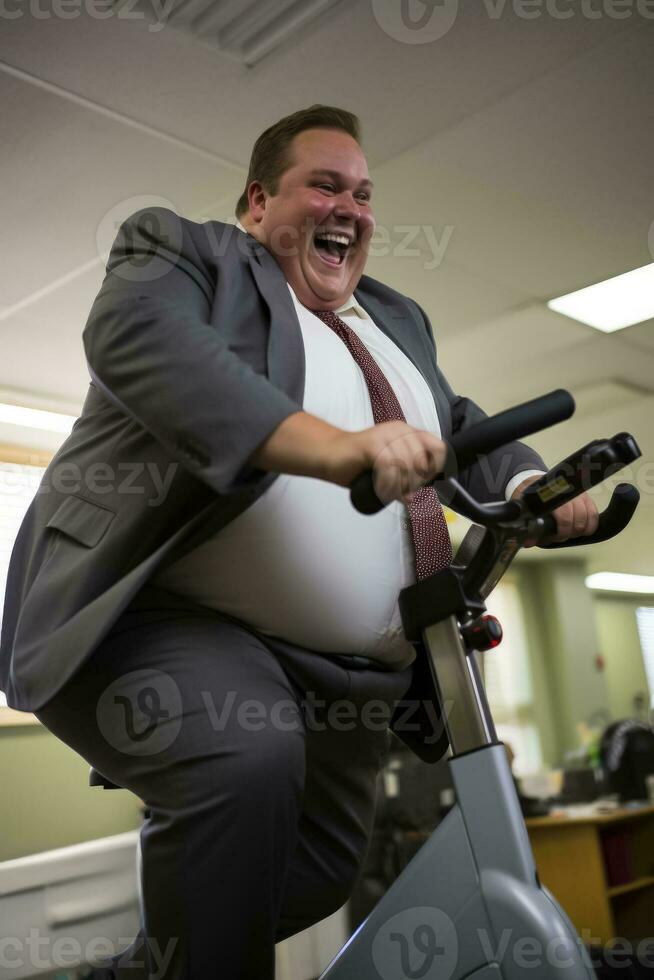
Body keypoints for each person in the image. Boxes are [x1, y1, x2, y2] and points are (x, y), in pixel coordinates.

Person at [0, 105, 599, 979]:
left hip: (349, 677)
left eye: (363, 194)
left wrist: (523, 485)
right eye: (324, 184)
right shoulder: (187, 253)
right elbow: (146, 345)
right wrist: (332, 446)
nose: (349, 207)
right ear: (256, 202)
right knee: (244, 761)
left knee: (313, 875)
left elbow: (455, 423)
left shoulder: (397, 318)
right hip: (168, 618)